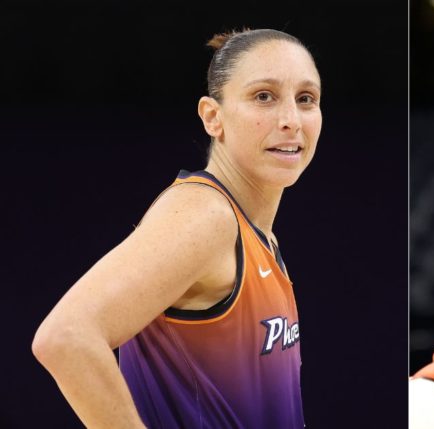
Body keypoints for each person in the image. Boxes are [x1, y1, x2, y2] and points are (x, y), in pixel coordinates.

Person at [32, 28, 321, 428]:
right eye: (264, 97)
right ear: (213, 117)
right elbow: (66, 337)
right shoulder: (206, 216)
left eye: (306, 99)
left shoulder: (258, 234)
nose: (291, 119)